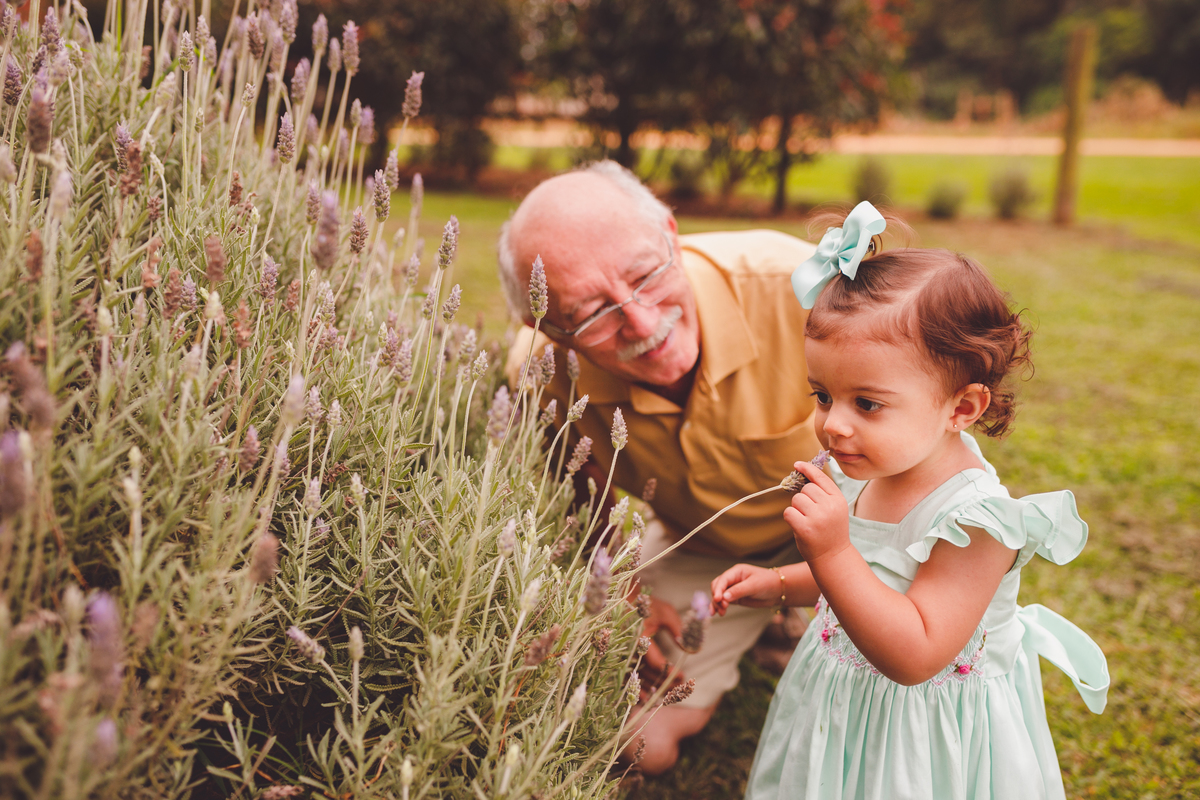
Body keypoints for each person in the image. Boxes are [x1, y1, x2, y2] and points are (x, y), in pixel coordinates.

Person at [711, 202, 1109, 799]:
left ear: (962, 407)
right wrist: (781, 582)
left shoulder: (977, 524)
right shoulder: (867, 467)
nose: (833, 426)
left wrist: (832, 548)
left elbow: (915, 653)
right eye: (823, 395)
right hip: (844, 703)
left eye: (867, 404)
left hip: (920, 735)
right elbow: (873, 574)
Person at [498, 160, 823, 774]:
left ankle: (793, 619)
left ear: (671, 233)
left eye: (646, 274)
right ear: (548, 328)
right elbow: (578, 504)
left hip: (868, 535)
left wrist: (834, 578)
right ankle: (767, 624)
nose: (644, 323)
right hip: (715, 549)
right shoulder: (542, 379)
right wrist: (626, 597)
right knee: (636, 743)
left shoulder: (801, 289)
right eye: (593, 312)